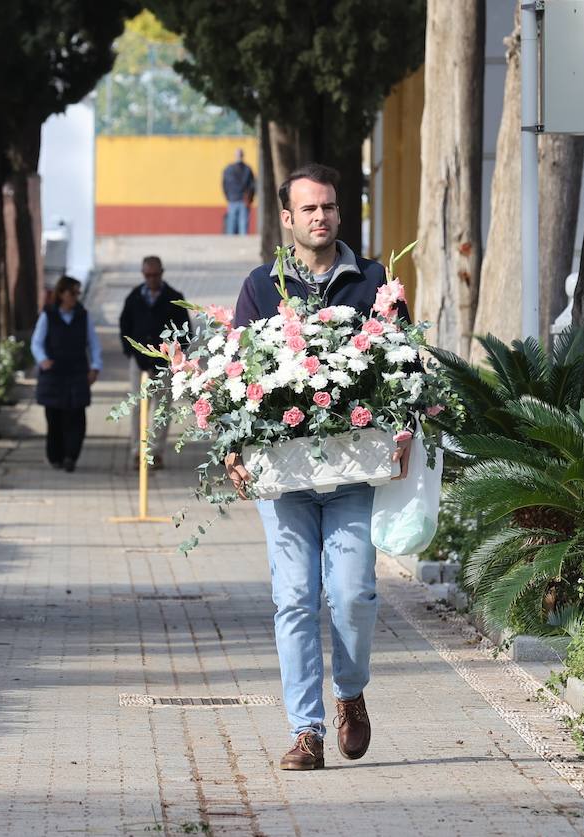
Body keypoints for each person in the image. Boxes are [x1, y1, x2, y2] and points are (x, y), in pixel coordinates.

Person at [225, 163, 410, 771]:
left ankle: (350, 694)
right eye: (309, 209)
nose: (321, 217)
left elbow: (404, 363)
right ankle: (306, 732)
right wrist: (232, 444)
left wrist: (405, 423)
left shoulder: (373, 280)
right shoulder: (261, 286)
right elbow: (236, 377)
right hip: (284, 477)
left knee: (353, 593)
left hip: (352, 470)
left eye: (328, 207)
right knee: (294, 599)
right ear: (287, 218)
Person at [118, 255, 189, 470]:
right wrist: (130, 352)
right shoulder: (134, 297)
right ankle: (137, 451)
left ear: (162, 273)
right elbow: (124, 326)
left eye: (155, 275)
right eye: (147, 275)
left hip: (164, 363)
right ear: (143, 274)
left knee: (163, 409)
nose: (151, 279)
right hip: (138, 363)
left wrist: (175, 357)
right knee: (138, 407)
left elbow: (185, 332)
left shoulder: (174, 298)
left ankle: (156, 452)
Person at [30, 275, 101, 472]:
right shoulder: (49, 315)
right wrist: (42, 360)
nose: (75, 297)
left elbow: (93, 343)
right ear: (61, 294)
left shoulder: (83, 316)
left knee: (76, 416)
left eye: (78, 293)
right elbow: (37, 341)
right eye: (72, 293)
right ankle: (56, 457)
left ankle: (71, 456)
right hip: (54, 373)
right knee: (55, 418)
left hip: (77, 371)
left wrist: (95, 366)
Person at [221, 149, 256, 235]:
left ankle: (230, 245)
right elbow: (252, 186)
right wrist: (250, 199)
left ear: (235, 156)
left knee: (231, 225)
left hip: (232, 199)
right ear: (243, 156)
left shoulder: (228, 169)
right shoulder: (248, 169)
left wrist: (227, 197)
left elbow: (224, 185)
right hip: (244, 199)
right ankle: (242, 245)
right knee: (243, 224)